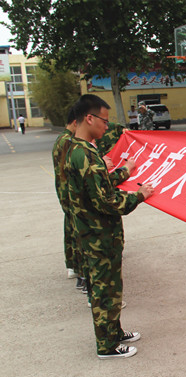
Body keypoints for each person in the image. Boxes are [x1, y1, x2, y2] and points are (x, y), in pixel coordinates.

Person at [65, 94, 154, 359]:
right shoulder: (84, 155)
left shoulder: (83, 150)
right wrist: (138, 196)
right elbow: (106, 201)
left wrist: (123, 171)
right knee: (104, 290)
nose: (107, 126)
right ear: (89, 118)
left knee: (111, 288)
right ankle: (107, 346)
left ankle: (114, 332)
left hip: (99, 235)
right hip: (98, 237)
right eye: (104, 121)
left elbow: (100, 186)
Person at [52, 107, 80, 283]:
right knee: (75, 228)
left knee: (69, 226)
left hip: (64, 191)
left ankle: (71, 265)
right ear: (76, 123)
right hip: (69, 191)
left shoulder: (60, 139)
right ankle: (76, 266)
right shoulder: (69, 141)